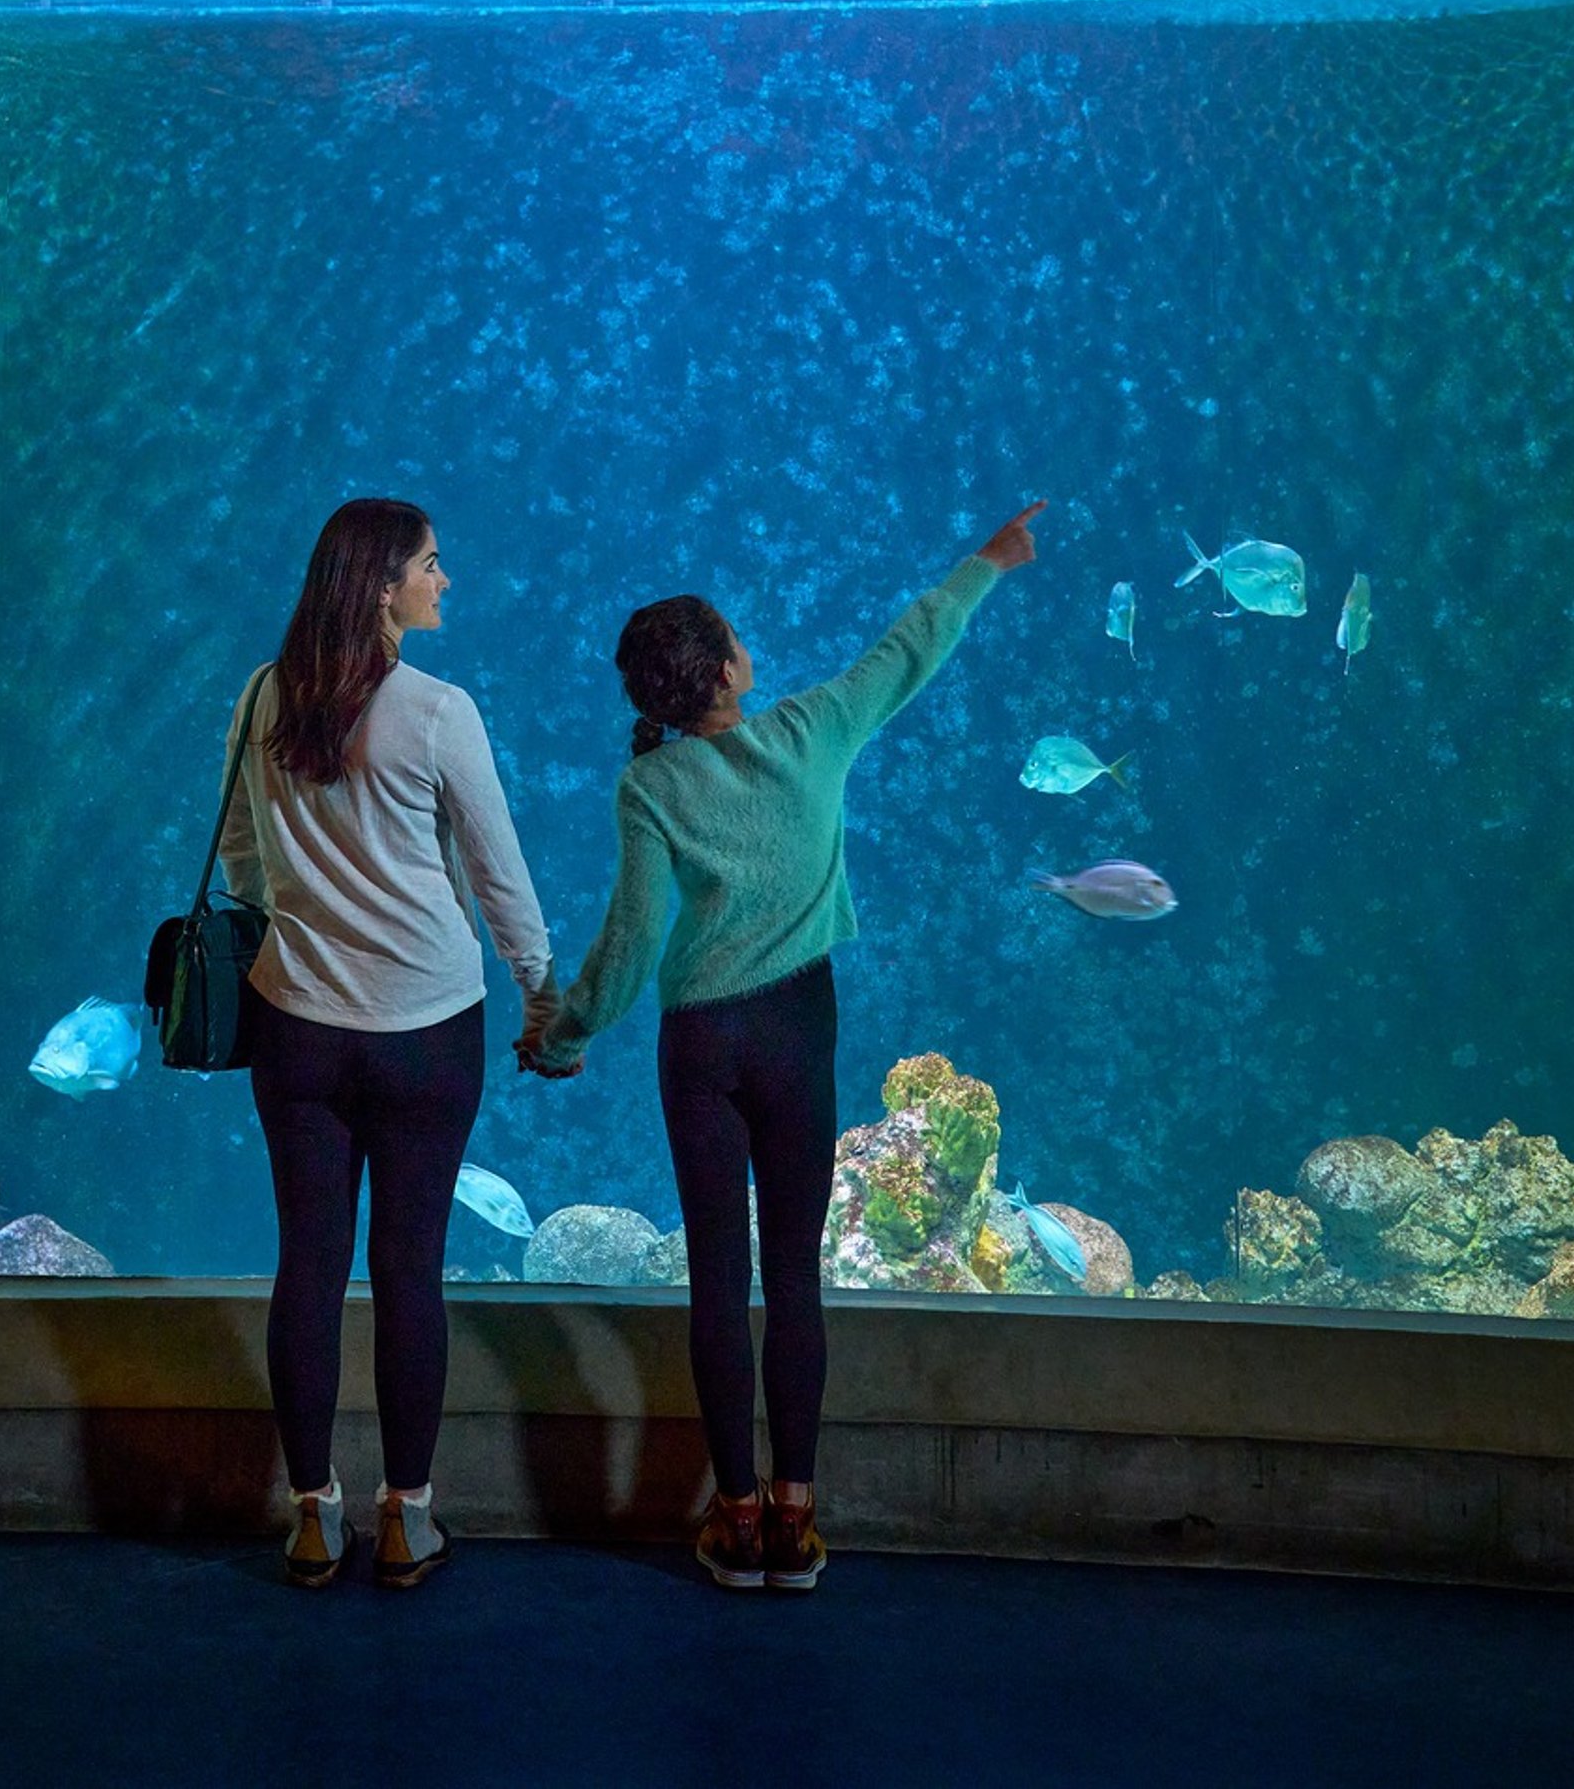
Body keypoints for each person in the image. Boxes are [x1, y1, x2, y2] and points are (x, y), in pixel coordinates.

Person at [522, 501, 1040, 1592]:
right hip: (799, 1026)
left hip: (699, 1042)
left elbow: (628, 941)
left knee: (719, 1278)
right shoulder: (812, 733)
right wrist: (988, 560)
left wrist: (560, 1033)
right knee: (792, 1278)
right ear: (726, 670)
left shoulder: (649, 784)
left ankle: (738, 1515)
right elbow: (908, 650)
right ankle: (798, 1524)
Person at [219, 497, 557, 1589]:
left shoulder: (265, 695)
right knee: (409, 1271)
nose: (444, 581)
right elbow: (500, 878)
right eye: (431, 563)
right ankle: (408, 1518)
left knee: (307, 1269)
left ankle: (311, 1517)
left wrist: (301, 922)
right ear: (380, 587)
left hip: (297, 1029)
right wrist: (544, 996)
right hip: (426, 1032)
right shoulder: (436, 711)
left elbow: (236, 858)